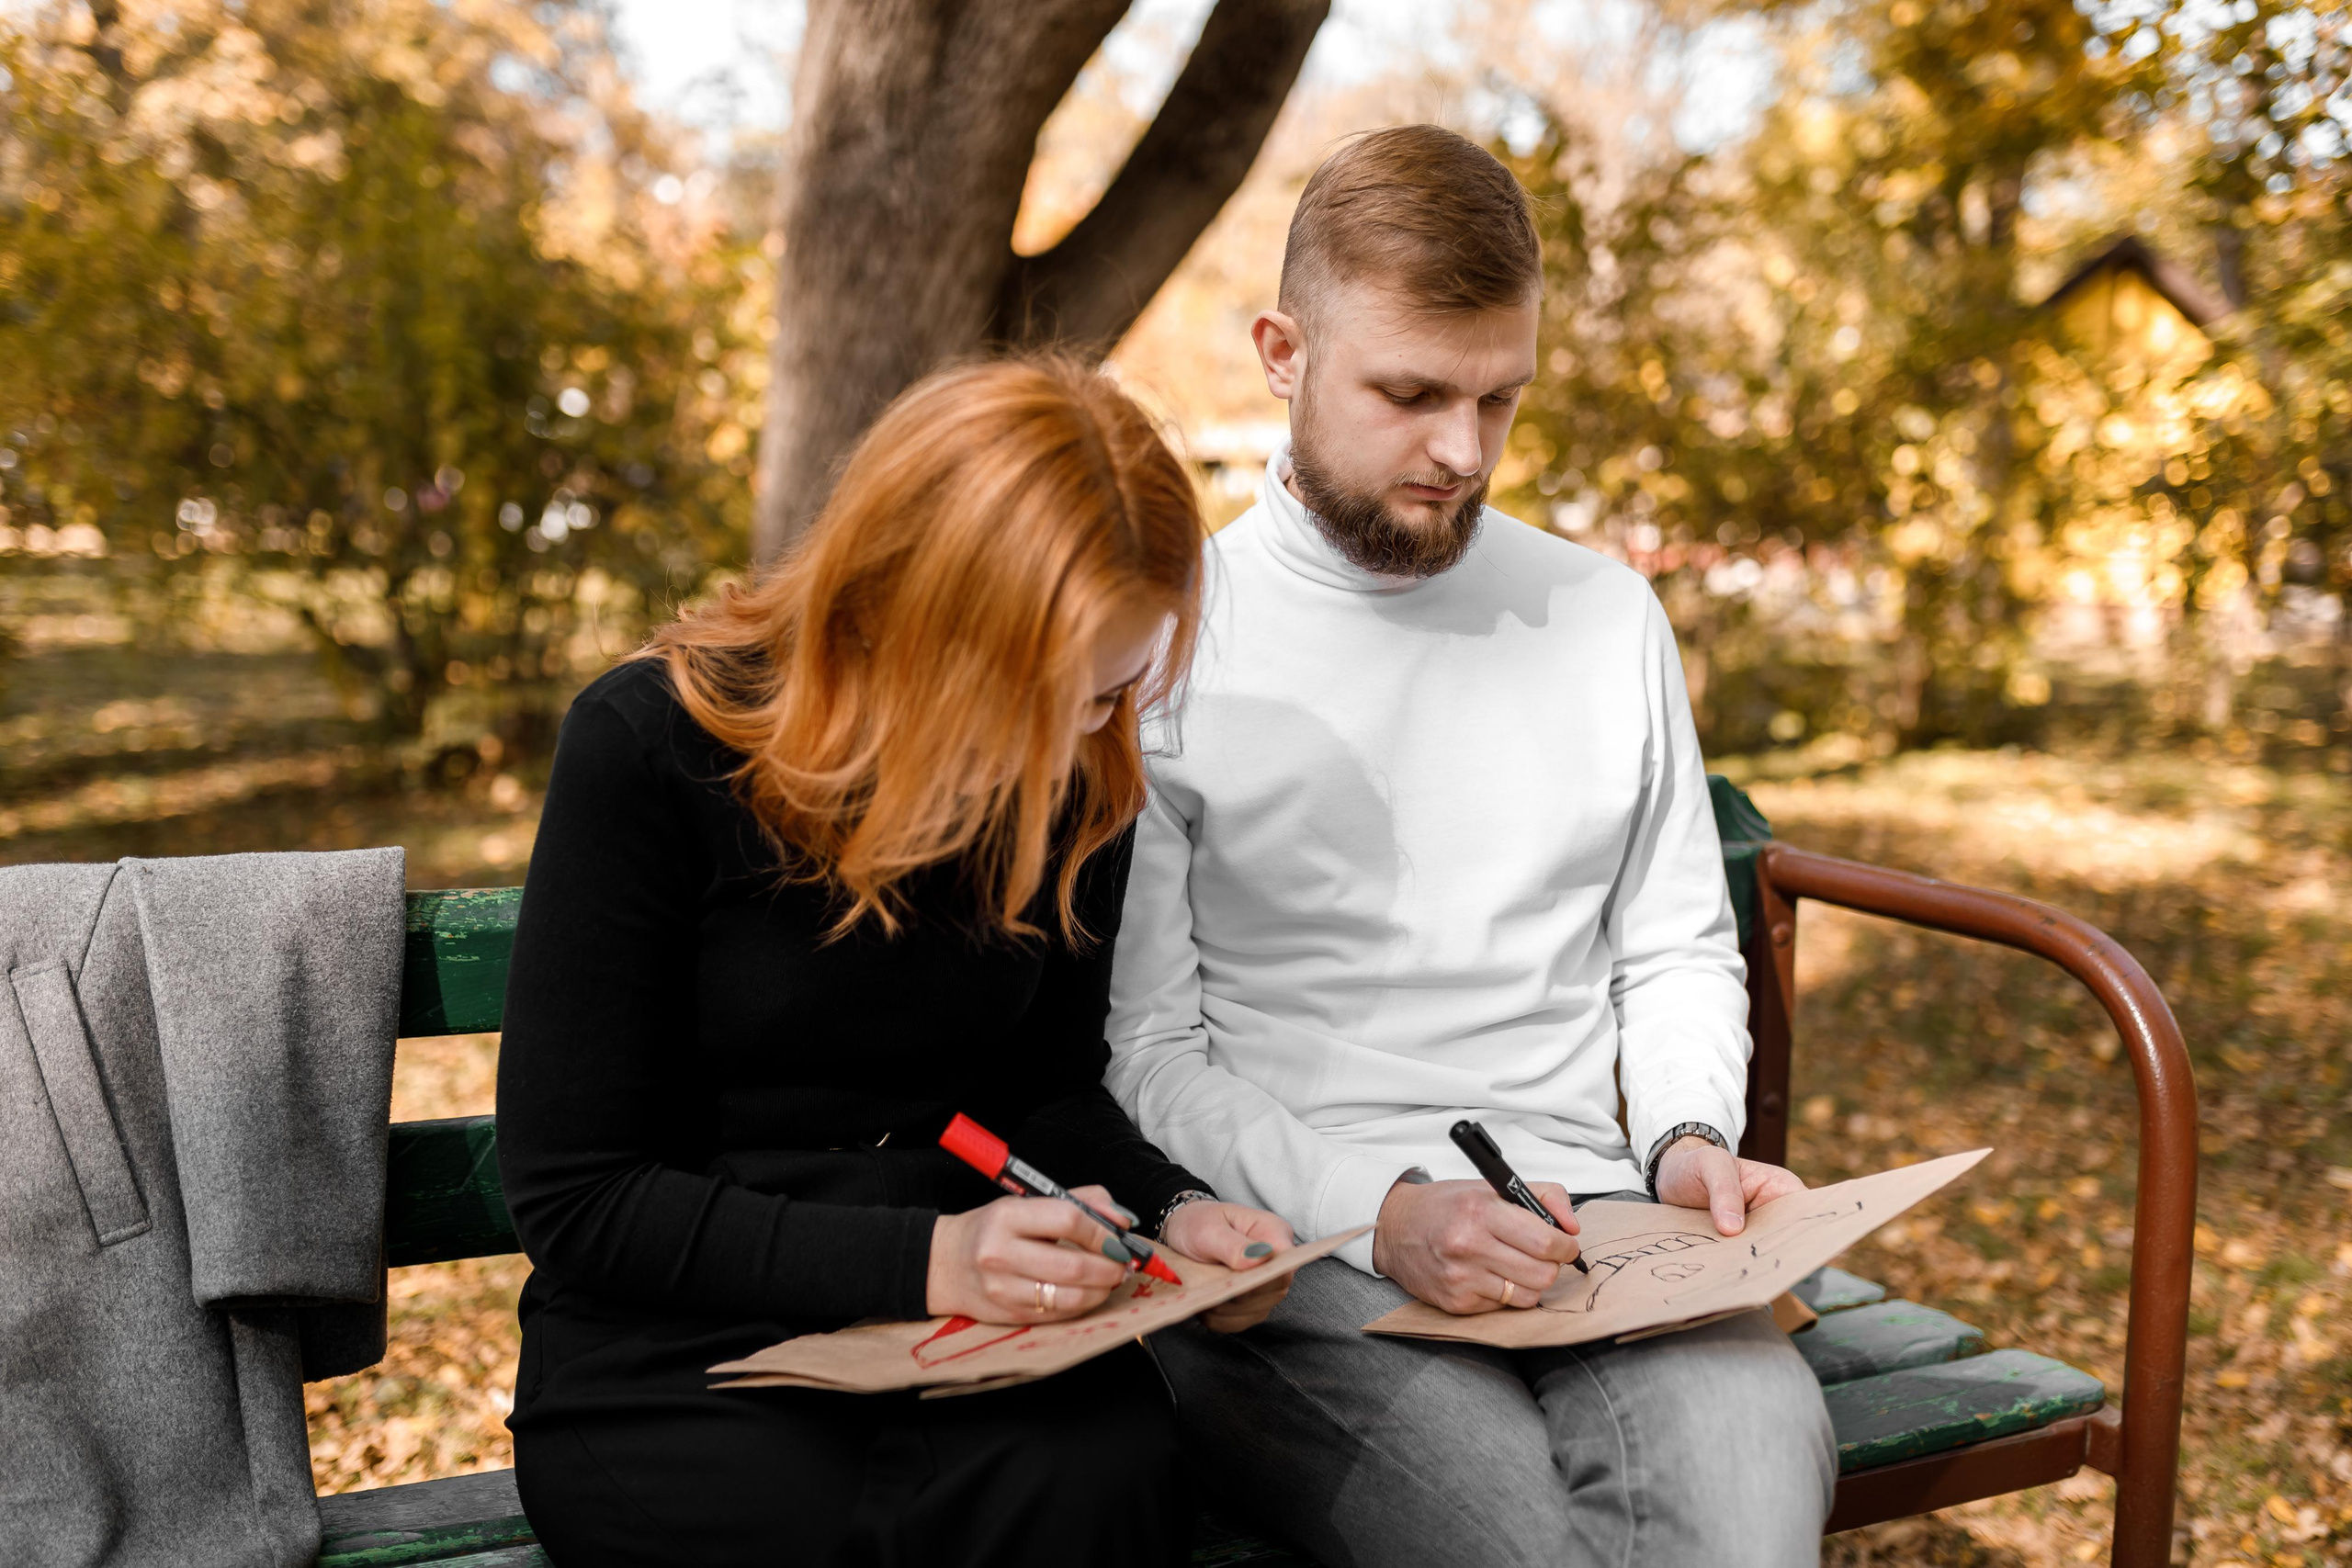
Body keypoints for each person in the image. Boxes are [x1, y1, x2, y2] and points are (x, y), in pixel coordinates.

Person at [1105, 126, 1838, 1567]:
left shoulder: (1603, 614)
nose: (1462, 450)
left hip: (1606, 1230)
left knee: (1752, 1496)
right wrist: (1377, 1215)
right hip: (1303, 1248)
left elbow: (1677, 944)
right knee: (1509, 1542)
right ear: (1281, 351)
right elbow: (1146, 1048)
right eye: (1412, 393)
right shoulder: (1160, 634)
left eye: (1501, 399)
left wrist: (1689, 1139)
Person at [496, 355, 1297, 1568]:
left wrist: (1172, 1215)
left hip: (979, 1328)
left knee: (1107, 1481)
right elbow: (581, 1195)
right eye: (1046, 700)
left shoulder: (1084, 774)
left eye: (1113, 693)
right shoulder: (652, 748)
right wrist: (930, 1259)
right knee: (813, 1526)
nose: (1080, 744)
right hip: (680, 1343)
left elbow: (1041, 1099)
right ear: (905, 618)